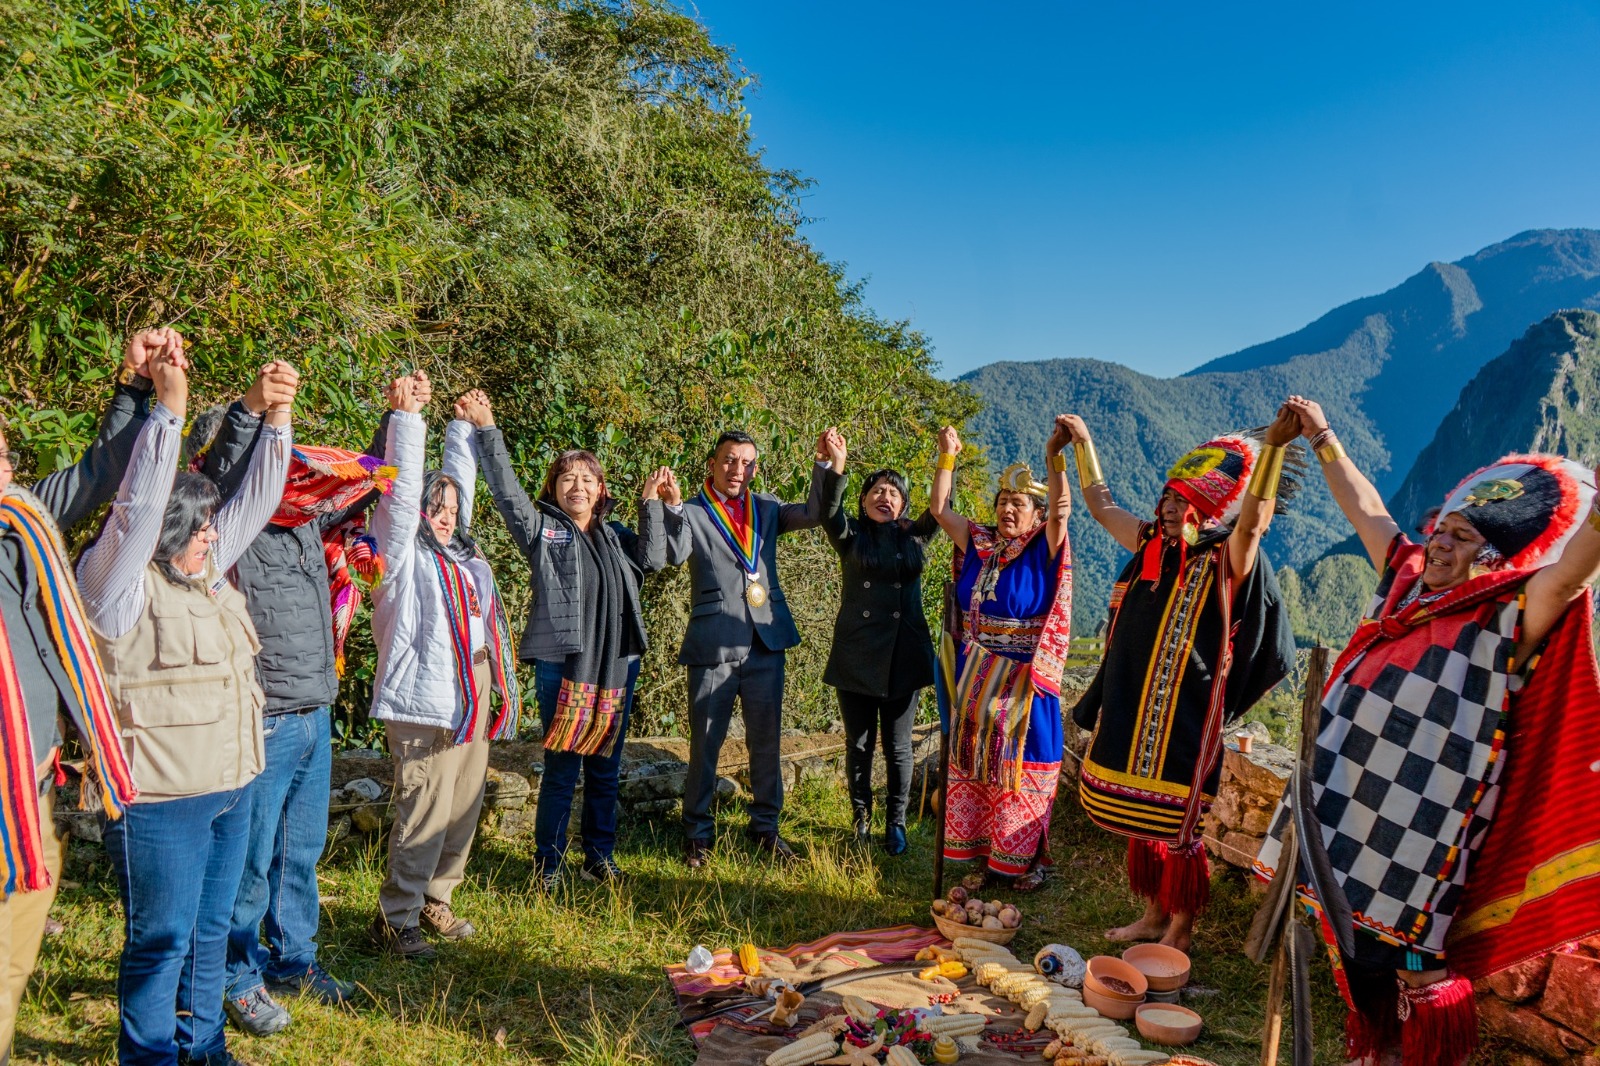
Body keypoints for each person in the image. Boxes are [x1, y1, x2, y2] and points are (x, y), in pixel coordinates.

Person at [1253, 396, 1600, 1066]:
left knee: (1411, 961)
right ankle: (1373, 1049)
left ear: (1495, 556)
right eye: (1442, 526)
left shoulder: (1510, 617)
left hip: (1423, 832)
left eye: (1463, 536)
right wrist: (1321, 435)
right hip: (1342, 808)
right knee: (1342, 936)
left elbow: (1572, 571)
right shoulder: (1406, 584)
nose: (1440, 540)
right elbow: (1367, 510)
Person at [76, 338, 296, 1066]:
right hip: (160, 802)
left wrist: (278, 420)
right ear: (166, 531)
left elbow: (259, 501)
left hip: (233, 790)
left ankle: (205, 1047)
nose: (211, 533)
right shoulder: (117, 583)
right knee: (160, 939)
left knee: (207, 936)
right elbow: (138, 506)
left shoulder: (206, 576)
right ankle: (148, 1058)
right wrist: (167, 413)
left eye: (209, 524)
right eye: (196, 524)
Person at [187, 391, 395, 1033]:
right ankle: (236, 974)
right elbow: (220, 473)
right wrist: (253, 414)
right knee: (248, 858)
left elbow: (369, 481)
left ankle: (293, 959)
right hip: (264, 711)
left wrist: (400, 420)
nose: (286, 463)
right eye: (271, 452)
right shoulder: (229, 520)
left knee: (298, 850)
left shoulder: (306, 518)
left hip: (313, 710)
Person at [1065, 410, 1298, 952]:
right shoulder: (1151, 545)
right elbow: (1101, 505)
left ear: (1207, 508)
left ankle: (1181, 929)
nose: (1168, 508)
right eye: (1166, 498)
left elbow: (1254, 523)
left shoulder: (1228, 557)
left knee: (1181, 827)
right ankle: (1151, 915)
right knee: (1146, 820)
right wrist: (1083, 442)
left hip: (1190, 711)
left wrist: (1276, 451)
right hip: (1137, 705)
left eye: (1181, 501)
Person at [0, 330, 162, 1058]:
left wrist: (132, 387)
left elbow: (102, 472)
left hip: (30, 772)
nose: (6, 465)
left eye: (5, 453)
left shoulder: (23, 523)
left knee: (20, 923)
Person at [459, 389, 686, 888]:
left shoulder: (619, 537)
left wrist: (660, 505)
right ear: (554, 488)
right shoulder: (543, 531)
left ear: (602, 490)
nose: (577, 486)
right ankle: (549, 864)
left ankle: (598, 858)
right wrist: (487, 426)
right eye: (567, 478)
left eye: (587, 479)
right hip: (562, 664)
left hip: (617, 663)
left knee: (606, 768)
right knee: (562, 771)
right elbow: (506, 491)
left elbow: (659, 557)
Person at [368, 374, 521, 959]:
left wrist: (462, 426)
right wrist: (408, 422)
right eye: (436, 507)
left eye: (452, 509)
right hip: (423, 697)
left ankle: (437, 897)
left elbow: (461, 488)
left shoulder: (465, 556)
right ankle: (396, 917)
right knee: (424, 804)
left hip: (473, 686)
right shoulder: (400, 556)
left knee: (462, 802)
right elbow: (403, 497)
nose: (446, 515)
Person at [642, 429, 842, 868]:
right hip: (713, 645)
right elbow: (672, 557)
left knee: (766, 742)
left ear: (755, 467)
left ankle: (765, 827)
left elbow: (816, 511)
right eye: (730, 460)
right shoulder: (691, 509)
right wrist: (669, 507)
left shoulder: (767, 507)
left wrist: (828, 466)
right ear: (713, 464)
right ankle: (697, 832)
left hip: (765, 642)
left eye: (747, 463)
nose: (738, 470)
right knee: (706, 744)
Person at [928, 420, 1072, 890]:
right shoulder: (979, 544)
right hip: (976, 676)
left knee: (1026, 766)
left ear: (1036, 514)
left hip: (1023, 680)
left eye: (1020, 504)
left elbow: (1063, 513)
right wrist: (948, 454)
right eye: (1003, 502)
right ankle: (991, 860)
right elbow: (938, 508)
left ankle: (1029, 861)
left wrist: (1055, 458)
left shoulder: (1042, 547)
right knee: (980, 762)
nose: (1010, 510)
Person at [818, 433, 939, 855]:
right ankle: (861, 818)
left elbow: (940, 509)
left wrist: (947, 458)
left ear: (904, 505)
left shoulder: (915, 538)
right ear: (864, 499)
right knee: (859, 744)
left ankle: (897, 823)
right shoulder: (850, 537)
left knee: (899, 746)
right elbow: (827, 509)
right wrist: (838, 463)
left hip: (903, 657)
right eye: (876, 490)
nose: (885, 496)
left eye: (894, 492)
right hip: (856, 655)